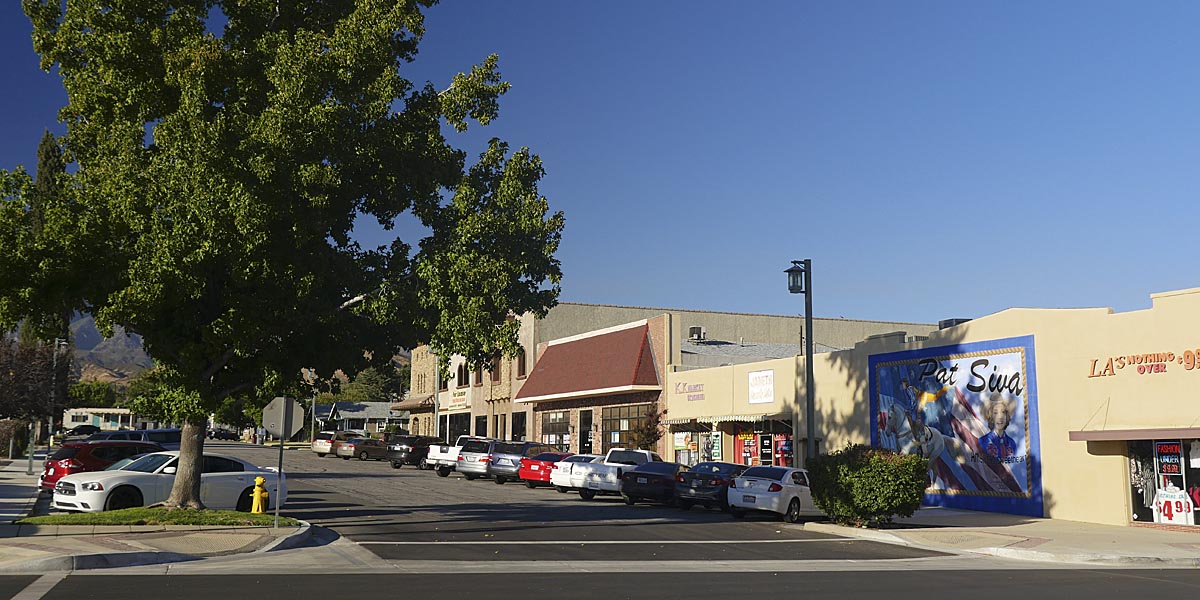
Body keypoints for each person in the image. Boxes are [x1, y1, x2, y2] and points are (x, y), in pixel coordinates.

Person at [977, 393, 1017, 459]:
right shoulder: (982, 442)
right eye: (995, 413)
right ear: (991, 417)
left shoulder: (1011, 443)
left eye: (1003, 412)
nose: (1000, 417)